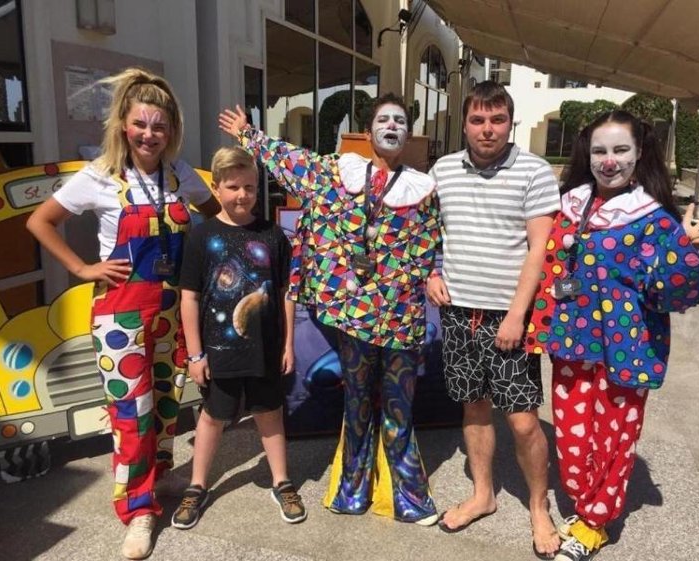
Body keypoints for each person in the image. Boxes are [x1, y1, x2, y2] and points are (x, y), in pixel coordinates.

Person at [218, 93, 440, 525]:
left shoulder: (424, 190)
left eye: (399, 121)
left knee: (399, 405)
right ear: (368, 132)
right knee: (356, 401)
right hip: (354, 315)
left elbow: (433, 244)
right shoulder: (336, 173)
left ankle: (408, 497)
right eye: (383, 120)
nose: (391, 127)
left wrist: (432, 274)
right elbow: (290, 159)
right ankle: (352, 489)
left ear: (408, 134)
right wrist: (247, 134)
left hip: (400, 316)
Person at [26, 67, 220, 559]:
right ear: (122, 125)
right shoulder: (98, 176)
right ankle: (137, 511)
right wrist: (82, 268)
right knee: (131, 414)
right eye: (140, 124)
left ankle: (157, 478)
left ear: (171, 130)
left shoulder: (181, 175)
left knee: (166, 404)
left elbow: (216, 213)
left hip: (171, 313)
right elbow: (41, 221)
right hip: (120, 316)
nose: (149, 135)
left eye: (159, 126)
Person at [525, 110, 699, 561]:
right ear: (587, 155)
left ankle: (597, 522)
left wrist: (688, 250)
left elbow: (672, 295)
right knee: (572, 435)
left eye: (620, 150)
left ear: (639, 153)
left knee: (613, 437)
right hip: (573, 343)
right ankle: (583, 503)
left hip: (627, 348)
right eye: (600, 151)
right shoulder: (570, 205)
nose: (609, 161)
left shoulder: (655, 218)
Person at [427, 80, 561, 559]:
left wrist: (517, 315)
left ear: (510, 123)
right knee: (474, 407)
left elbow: (539, 250)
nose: (487, 129)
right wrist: (430, 271)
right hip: (458, 312)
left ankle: (539, 507)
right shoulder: (443, 170)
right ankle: (483, 494)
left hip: (508, 319)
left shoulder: (534, 171)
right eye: (478, 120)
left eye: (497, 120)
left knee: (523, 421)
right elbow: (425, 230)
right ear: (464, 124)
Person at [171, 146, 305, 530]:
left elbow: (286, 293)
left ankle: (282, 481)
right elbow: (189, 298)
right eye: (233, 187)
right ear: (216, 188)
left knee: (270, 413)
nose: (242, 195)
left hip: (265, 349)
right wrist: (195, 355)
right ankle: (197, 485)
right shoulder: (201, 237)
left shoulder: (273, 235)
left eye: (249, 187)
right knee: (213, 416)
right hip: (219, 352)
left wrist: (288, 344)